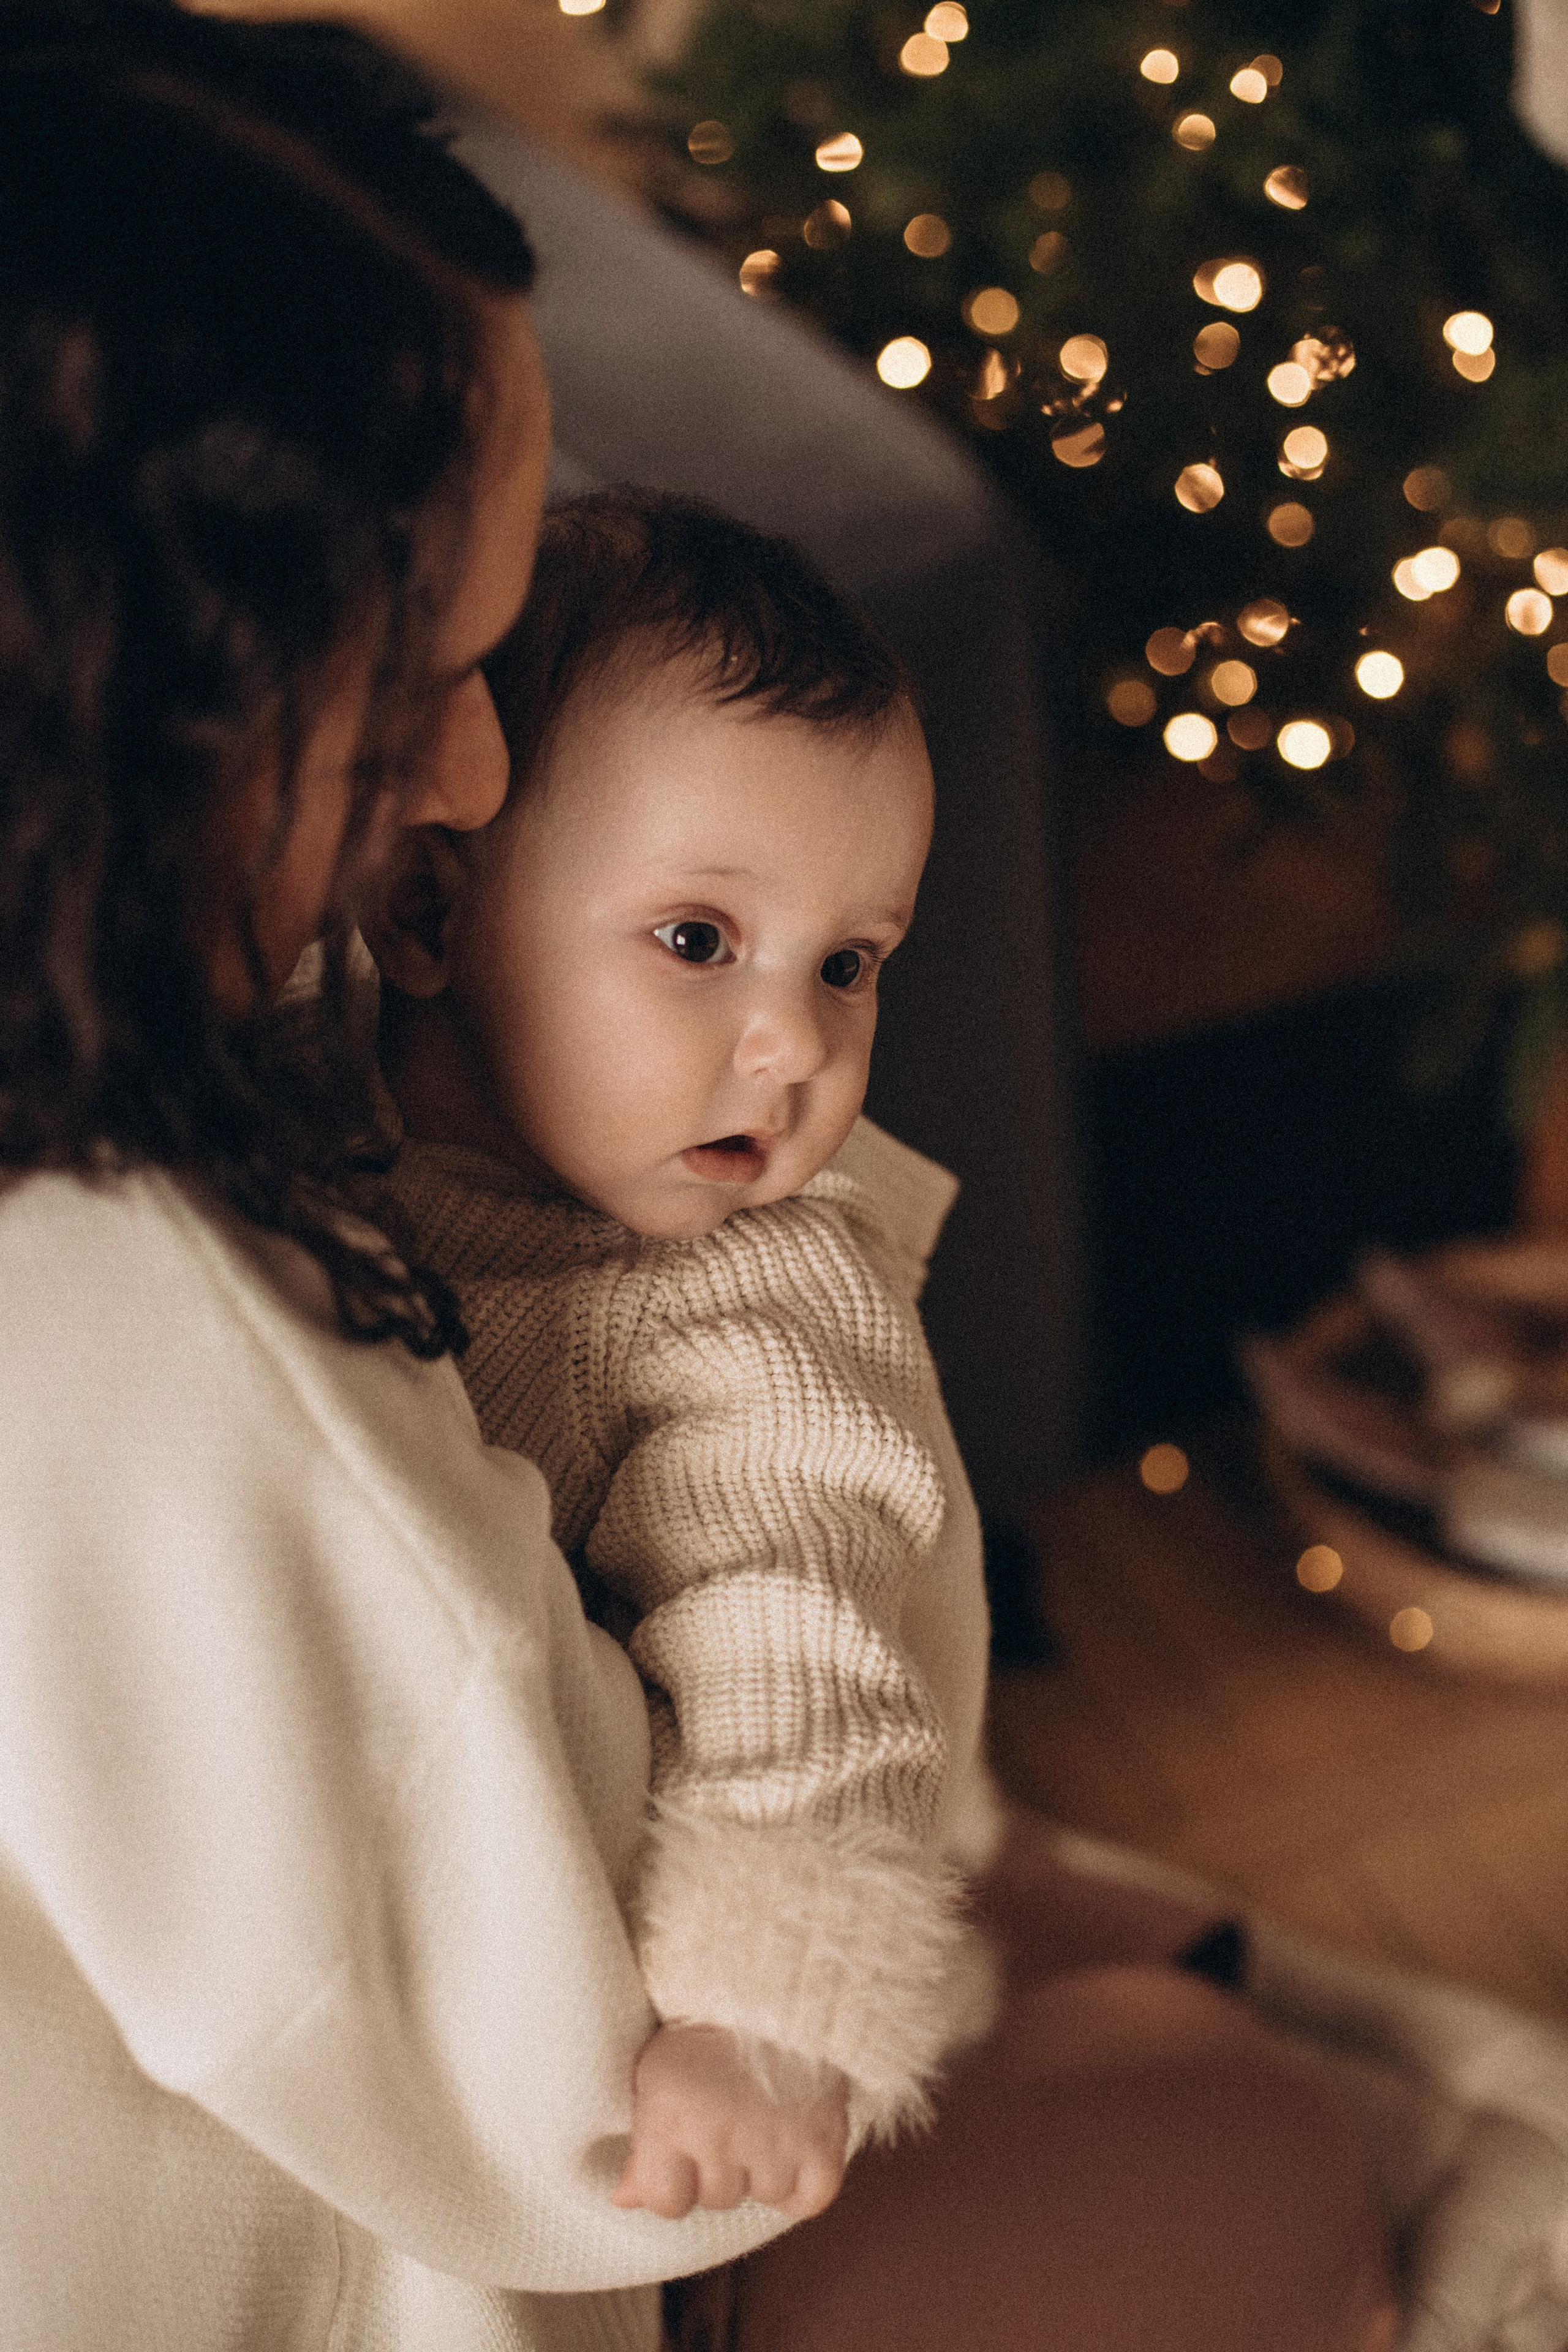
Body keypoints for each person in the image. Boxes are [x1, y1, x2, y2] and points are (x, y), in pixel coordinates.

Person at [0, 6, 1403, 2348]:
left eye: (857, 964)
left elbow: (799, 1597)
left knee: (1025, 1898)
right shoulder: (140, 1314)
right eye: (414, 688)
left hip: (697, 1876)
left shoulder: (681, 1255)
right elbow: (535, 2090)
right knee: (1227, 2110)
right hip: (511, 2176)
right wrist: (782, 2004)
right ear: (173, 715)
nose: (463, 778)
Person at [357, 488, 998, 2223]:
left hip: (708, 2003)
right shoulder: (316, 1090)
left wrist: (774, 2022)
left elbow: (802, 1630)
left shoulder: (754, 1301)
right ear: (422, 915)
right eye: (699, 941)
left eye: (849, 963)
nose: (792, 1040)